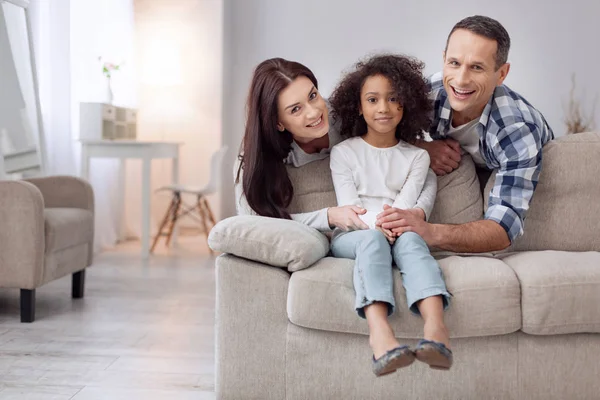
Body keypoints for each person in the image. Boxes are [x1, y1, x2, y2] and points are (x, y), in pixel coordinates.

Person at [376, 15, 554, 253]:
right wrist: (422, 146)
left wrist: (428, 231)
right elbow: (380, 124)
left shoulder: (517, 130)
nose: (460, 80)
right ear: (443, 59)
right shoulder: (431, 92)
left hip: (523, 172)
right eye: (454, 63)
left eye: (477, 67)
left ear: (501, 74)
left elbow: (503, 228)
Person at [328, 54, 452, 376]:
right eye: (372, 99)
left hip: (399, 228)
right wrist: (379, 227)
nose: (383, 108)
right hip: (353, 234)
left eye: (393, 98)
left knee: (412, 241)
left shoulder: (417, 158)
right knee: (371, 239)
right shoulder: (343, 153)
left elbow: (406, 209)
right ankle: (380, 336)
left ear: (405, 104)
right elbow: (350, 209)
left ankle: (437, 332)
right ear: (359, 106)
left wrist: (395, 226)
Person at [234, 58, 437, 229]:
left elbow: (413, 165)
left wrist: (418, 212)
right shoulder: (256, 158)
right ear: (277, 122)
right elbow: (253, 224)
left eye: (313, 96)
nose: (314, 112)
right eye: (296, 109)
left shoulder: (344, 117)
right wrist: (329, 217)